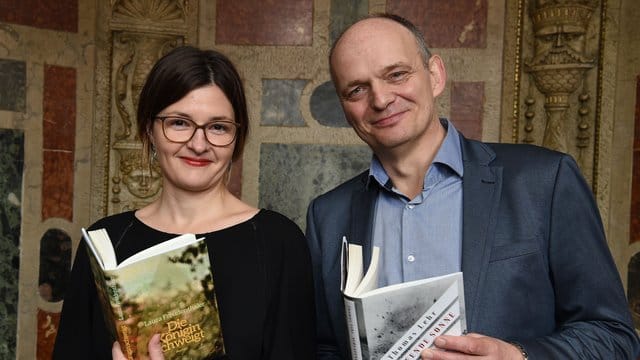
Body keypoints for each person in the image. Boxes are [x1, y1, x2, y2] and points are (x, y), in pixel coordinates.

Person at [305, 13, 640, 359]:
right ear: (344, 107)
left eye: (396, 74)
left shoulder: (544, 181)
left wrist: (517, 356)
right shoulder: (327, 216)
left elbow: (614, 338)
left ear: (435, 75)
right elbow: (327, 347)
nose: (380, 99)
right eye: (356, 89)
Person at [53, 45, 316, 359]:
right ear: (149, 130)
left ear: (237, 139)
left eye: (218, 127)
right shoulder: (105, 242)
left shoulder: (279, 242)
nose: (198, 143)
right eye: (179, 123)